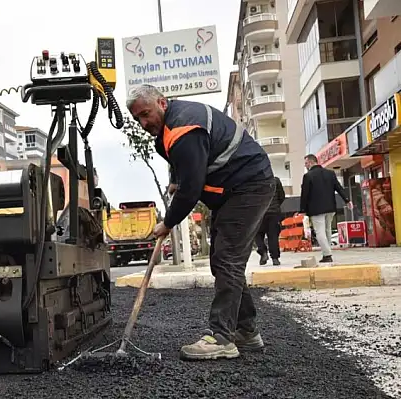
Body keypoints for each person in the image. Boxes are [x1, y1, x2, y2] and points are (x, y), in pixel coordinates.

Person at [126, 84, 275, 361]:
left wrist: (168, 223)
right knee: (222, 260)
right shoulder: (171, 129)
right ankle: (246, 331)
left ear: (162, 102)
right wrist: (176, 180)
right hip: (235, 189)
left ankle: (221, 337)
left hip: (248, 185)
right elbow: (184, 165)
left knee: (228, 258)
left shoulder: (184, 128)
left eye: (146, 114)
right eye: (138, 119)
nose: (144, 123)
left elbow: (191, 189)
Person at [299, 154, 352, 263]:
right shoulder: (330, 173)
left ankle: (327, 254)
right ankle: (326, 254)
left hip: (316, 210)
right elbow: (339, 187)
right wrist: (347, 200)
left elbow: (305, 194)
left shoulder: (308, 176)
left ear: (310, 162)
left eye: (306, 163)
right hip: (330, 208)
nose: (305, 166)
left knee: (320, 232)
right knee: (327, 230)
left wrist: (302, 210)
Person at [255, 176, 286, 266]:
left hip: (259, 213)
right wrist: (276, 206)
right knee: (273, 236)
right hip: (274, 213)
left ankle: (263, 252)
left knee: (257, 234)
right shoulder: (275, 180)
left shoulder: (254, 181)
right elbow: (282, 196)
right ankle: (275, 258)